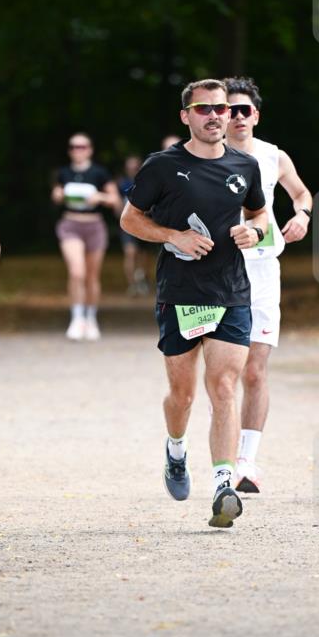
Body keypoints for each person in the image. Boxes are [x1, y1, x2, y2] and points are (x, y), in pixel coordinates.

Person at [121, 79, 268, 528]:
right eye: (204, 108)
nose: (216, 116)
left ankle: (224, 484)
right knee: (182, 395)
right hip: (180, 294)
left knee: (224, 386)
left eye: (222, 108)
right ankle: (176, 448)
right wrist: (173, 236)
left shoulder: (245, 165)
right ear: (186, 116)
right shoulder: (163, 166)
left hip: (231, 292)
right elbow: (130, 219)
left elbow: (259, 213)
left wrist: (254, 231)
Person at [224, 76, 312, 493]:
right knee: (224, 373)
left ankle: (247, 462)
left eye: (245, 110)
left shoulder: (274, 156)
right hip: (220, 271)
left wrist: (302, 216)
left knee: (255, 371)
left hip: (262, 271)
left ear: (256, 115)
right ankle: (219, 458)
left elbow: (302, 194)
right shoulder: (206, 157)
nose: (238, 117)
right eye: (230, 110)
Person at [52, 133, 120, 340]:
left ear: (90, 149)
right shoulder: (63, 172)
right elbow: (56, 195)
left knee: (91, 276)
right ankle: (77, 318)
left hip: (94, 226)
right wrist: (59, 195)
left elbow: (115, 200)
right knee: (77, 272)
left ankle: (91, 318)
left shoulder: (100, 173)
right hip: (70, 224)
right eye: (73, 147)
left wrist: (99, 197)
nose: (77, 150)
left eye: (82, 146)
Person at [116, 155, 149, 296]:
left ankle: (141, 279)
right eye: (129, 167)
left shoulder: (146, 182)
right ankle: (132, 284)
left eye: (135, 167)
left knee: (143, 255)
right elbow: (117, 202)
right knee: (130, 253)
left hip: (144, 223)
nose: (132, 170)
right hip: (127, 224)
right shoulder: (121, 184)